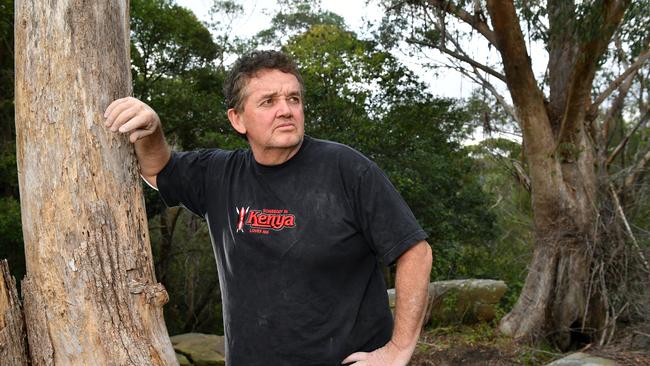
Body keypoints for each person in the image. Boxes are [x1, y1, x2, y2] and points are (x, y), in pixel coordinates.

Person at [104, 50, 432, 366]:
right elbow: (157, 168)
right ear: (237, 119)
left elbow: (415, 252)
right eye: (268, 101)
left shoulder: (346, 169)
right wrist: (151, 130)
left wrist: (398, 349)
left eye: (293, 99)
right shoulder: (218, 175)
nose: (286, 110)